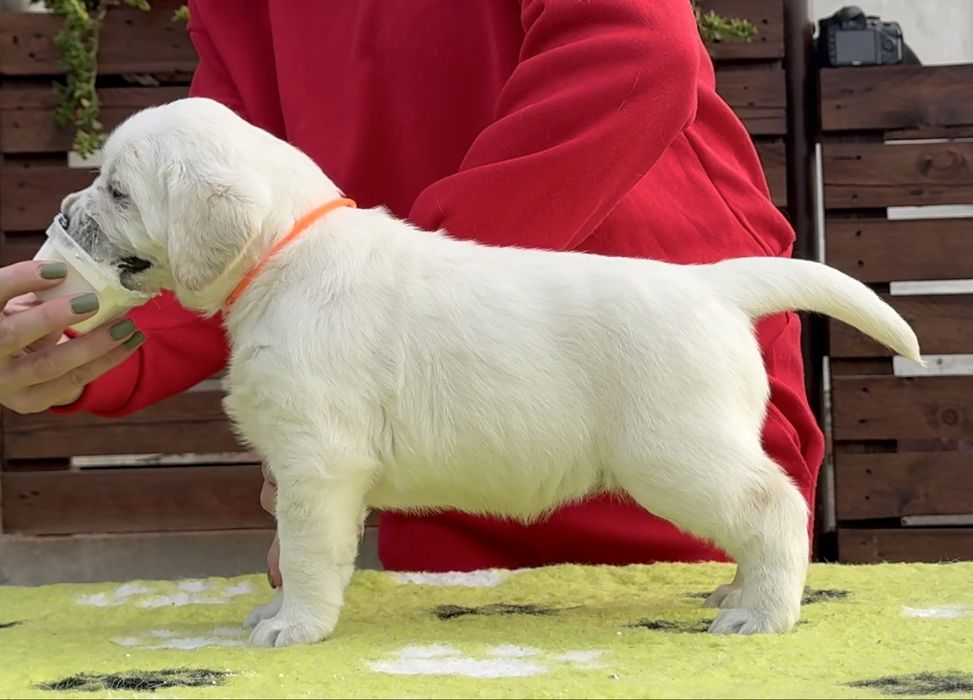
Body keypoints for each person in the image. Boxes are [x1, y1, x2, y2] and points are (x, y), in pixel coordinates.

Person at [0, 0, 824, 585]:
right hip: (420, 412)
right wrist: (74, 346)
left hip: (618, 342)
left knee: (691, 637)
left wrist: (392, 307)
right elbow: (224, 233)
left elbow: (630, 52)